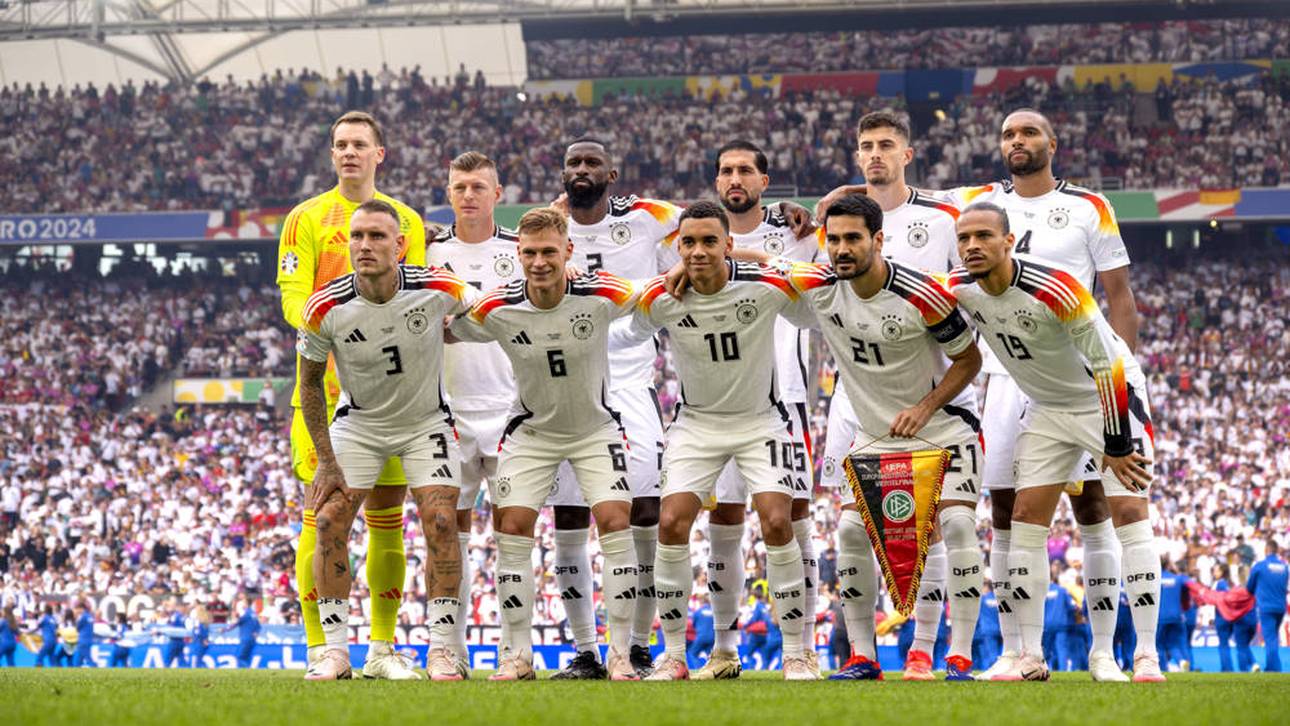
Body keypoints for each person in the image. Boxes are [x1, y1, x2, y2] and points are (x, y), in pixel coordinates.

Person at [821, 107, 1140, 683]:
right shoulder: (974, 197)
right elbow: (890, 189)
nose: (1017, 141)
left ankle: (1111, 653)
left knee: (1095, 505)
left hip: (1083, 376)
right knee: (1004, 511)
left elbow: (1117, 297)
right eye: (1009, 134)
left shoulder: (1092, 206)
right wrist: (842, 194)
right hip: (1001, 376)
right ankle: (1019, 652)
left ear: (1052, 142)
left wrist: (1127, 383)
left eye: (1028, 133)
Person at [946, 202, 1163, 682]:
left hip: (1110, 398)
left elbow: (1111, 365)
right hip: (1047, 409)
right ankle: (1029, 656)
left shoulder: (1057, 288)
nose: (972, 246)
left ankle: (1145, 654)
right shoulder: (961, 287)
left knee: (1127, 512)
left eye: (984, 236)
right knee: (1023, 519)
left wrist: (1116, 441)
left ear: (1010, 241)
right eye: (964, 239)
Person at [608, 202, 814, 681]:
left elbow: (811, 311)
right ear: (676, 248)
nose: (698, 251)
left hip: (761, 422)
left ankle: (799, 653)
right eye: (689, 243)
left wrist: (762, 259)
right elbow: (623, 333)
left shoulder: (762, 286)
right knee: (672, 522)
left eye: (709, 242)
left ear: (727, 244)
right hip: (696, 426)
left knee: (778, 520)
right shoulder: (663, 296)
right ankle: (675, 656)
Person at [780, 194, 983, 681]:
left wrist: (924, 407)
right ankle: (863, 657)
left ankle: (956, 656)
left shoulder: (922, 294)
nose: (842, 249)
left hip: (943, 427)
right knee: (849, 532)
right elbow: (760, 263)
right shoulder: (819, 286)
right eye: (834, 240)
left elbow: (970, 360)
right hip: (876, 434)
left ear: (878, 240)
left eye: (853, 238)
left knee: (955, 527)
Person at [448, 206, 644, 682]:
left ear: (568, 252)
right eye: (530, 252)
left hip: (595, 429)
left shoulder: (599, 293)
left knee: (617, 524)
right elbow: (450, 324)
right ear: (517, 254)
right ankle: (516, 655)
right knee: (512, 529)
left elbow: (650, 293)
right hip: (531, 432)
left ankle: (620, 654)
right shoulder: (498, 306)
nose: (539, 262)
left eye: (550, 252)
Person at [812, 113, 968, 680]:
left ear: (908, 153)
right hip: (857, 396)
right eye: (866, 147)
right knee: (856, 525)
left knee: (931, 526)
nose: (875, 155)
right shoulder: (835, 221)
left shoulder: (944, 216)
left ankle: (925, 649)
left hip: (926, 389)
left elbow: (965, 294)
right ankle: (861, 653)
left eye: (886, 146)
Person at [276, 110, 428, 680]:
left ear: (379, 154)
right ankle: (323, 648)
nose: (348, 153)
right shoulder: (305, 218)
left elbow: (414, 298)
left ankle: (382, 650)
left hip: (386, 395)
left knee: (388, 518)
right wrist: (331, 327)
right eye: (340, 144)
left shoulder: (405, 220)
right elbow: (294, 295)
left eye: (359, 144)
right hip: (323, 391)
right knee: (322, 515)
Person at [297, 200, 473, 681]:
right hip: (360, 424)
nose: (364, 245)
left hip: (426, 423)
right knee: (329, 519)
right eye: (357, 236)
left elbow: (489, 305)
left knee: (440, 521)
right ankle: (334, 653)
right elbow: (309, 385)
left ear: (399, 245)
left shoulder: (438, 287)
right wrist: (328, 463)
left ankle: (441, 650)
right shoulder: (325, 305)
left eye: (376, 236)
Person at [545, 137, 682, 679]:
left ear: (612, 173)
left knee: (645, 510)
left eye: (591, 163)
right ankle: (584, 651)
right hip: (570, 386)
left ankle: (640, 644)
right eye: (573, 163)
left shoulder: (649, 218)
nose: (581, 170)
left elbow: (712, 231)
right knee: (572, 515)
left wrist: (782, 220)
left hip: (630, 382)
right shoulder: (545, 228)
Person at [699, 140, 821, 679]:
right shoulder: (695, 233)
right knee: (724, 520)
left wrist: (741, 256)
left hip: (783, 396)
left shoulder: (797, 233)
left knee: (792, 520)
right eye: (726, 170)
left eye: (745, 170)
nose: (735, 178)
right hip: (717, 400)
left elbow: (801, 280)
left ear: (764, 181)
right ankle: (724, 649)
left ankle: (803, 647)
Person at [425, 151, 520, 679]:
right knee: (444, 530)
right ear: (448, 193)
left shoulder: (520, 250)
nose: (469, 195)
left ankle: (514, 651)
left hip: (508, 410)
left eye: (479, 187)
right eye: (460, 186)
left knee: (513, 533)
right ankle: (446, 648)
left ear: (497, 193)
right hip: (446, 412)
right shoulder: (427, 251)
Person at [1246, 539, 1288, 672]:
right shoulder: (1284, 567)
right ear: (1276, 551)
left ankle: (1273, 668)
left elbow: (1249, 587)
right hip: (1280, 607)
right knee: (1273, 637)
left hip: (1266, 607)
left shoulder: (1260, 566)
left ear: (1266, 550)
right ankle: (1273, 666)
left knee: (1269, 638)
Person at [1212, 564, 1255, 672]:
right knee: (1242, 643)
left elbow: (1215, 600)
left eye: (1216, 571)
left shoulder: (1218, 584)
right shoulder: (1231, 584)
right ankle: (1253, 663)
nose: (1214, 573)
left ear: (1222, 572)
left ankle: (1227, 668)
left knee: (1223, 644)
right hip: (1231, 617)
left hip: (1221, 616)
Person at [1157, 561, 1191, 670]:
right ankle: (1182, 662)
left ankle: (1163, 669)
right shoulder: (1178, 578)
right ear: (1168, 565)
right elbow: (1188, 594)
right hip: (1177, 616)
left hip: (1160, 617)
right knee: (1176, 644)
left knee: (1159, 645)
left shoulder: (1154, 579)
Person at [224, 599, 261, 668]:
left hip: (245, 637)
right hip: (252, 638)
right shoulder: (253, 613)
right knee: (247, 657)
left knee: (239, 656)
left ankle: (243, 671)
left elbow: (236, 623)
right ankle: (248, 672)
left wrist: (225, 629)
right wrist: (256, 632)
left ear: (246, 604)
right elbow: (258, 626)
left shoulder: (245, 614)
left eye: (243, 602)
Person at [974, 583, 1003, 670]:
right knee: (1003, 654)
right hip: (1001, 630)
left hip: (988, 630)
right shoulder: (1000, 599)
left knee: (990, 655)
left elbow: (977, 616)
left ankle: (993, 670)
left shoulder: (982, 599)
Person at [163, 600, 187, 668]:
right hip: (179, 640)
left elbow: (171, 627)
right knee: (181, 658)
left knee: (169, 658)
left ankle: (164, 671)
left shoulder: (176, 616)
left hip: (175, 640)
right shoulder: (182, 616)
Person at [74, 601, 96, 667]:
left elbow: (77, 628)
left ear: (81, 608)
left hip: (83, 640)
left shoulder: (82, 616)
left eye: (77, 609)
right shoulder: (90, 616)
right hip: (89, 639)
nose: (76, 611)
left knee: (88, 658)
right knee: (78, 660)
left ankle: (94, 667)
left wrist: (76, 618)